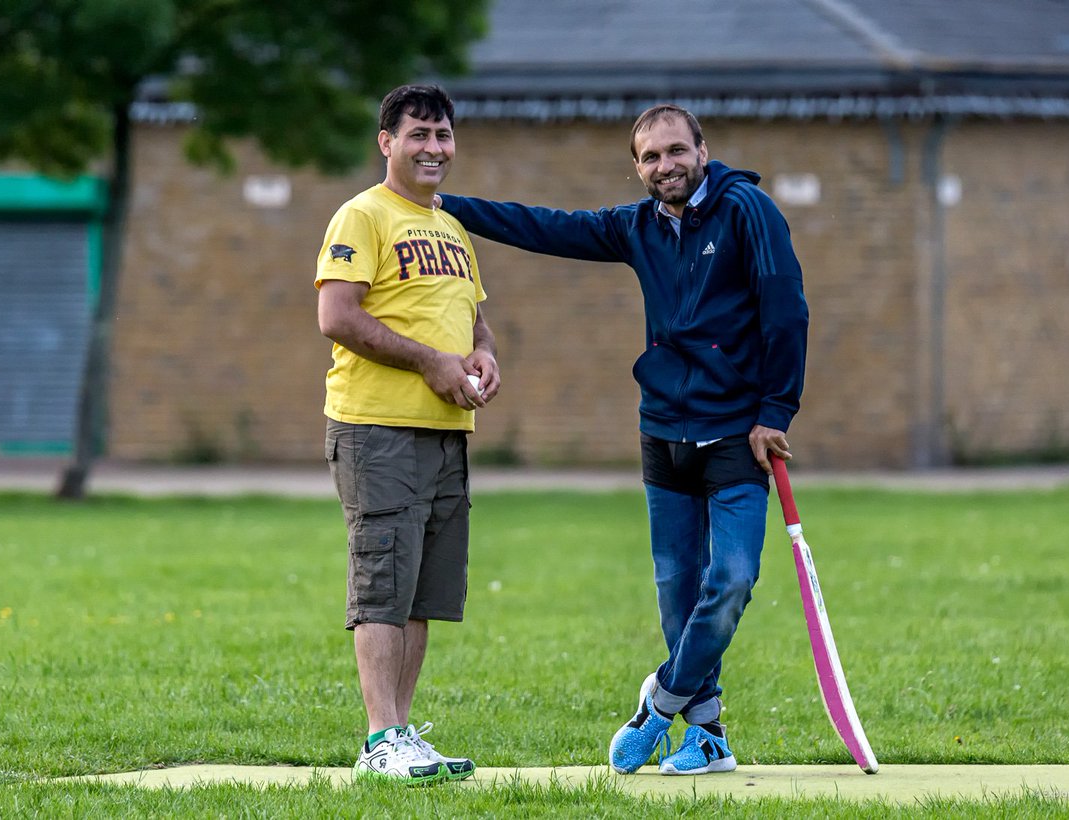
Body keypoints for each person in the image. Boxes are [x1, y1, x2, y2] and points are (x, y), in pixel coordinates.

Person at [437, 104, 808, 776]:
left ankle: (660, 705)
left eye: (675, 151)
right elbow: (544, 226)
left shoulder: (748, 209)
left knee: (730, 580)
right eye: (650, 157)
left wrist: (775, 411)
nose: (664, 166)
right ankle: (709, 735)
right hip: (662, 431)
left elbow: (787, 309)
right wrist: (444, 205)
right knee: (677, 587)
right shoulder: (637, 227)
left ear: (703, 149)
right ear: (637, 168)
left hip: (734, 435)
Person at [315, 84, 499, 785]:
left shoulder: (450, 227)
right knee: (383, 582)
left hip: (445, 430)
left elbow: (470, 321)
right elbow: (337, 315)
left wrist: (483, 354)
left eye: (443, 134)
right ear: (386, 142)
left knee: (421, 590)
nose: (433, 147)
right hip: (377, 427)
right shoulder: (363, 215)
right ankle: (380, 736)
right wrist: (428, 360)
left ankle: (401, 736)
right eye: (418, 134)